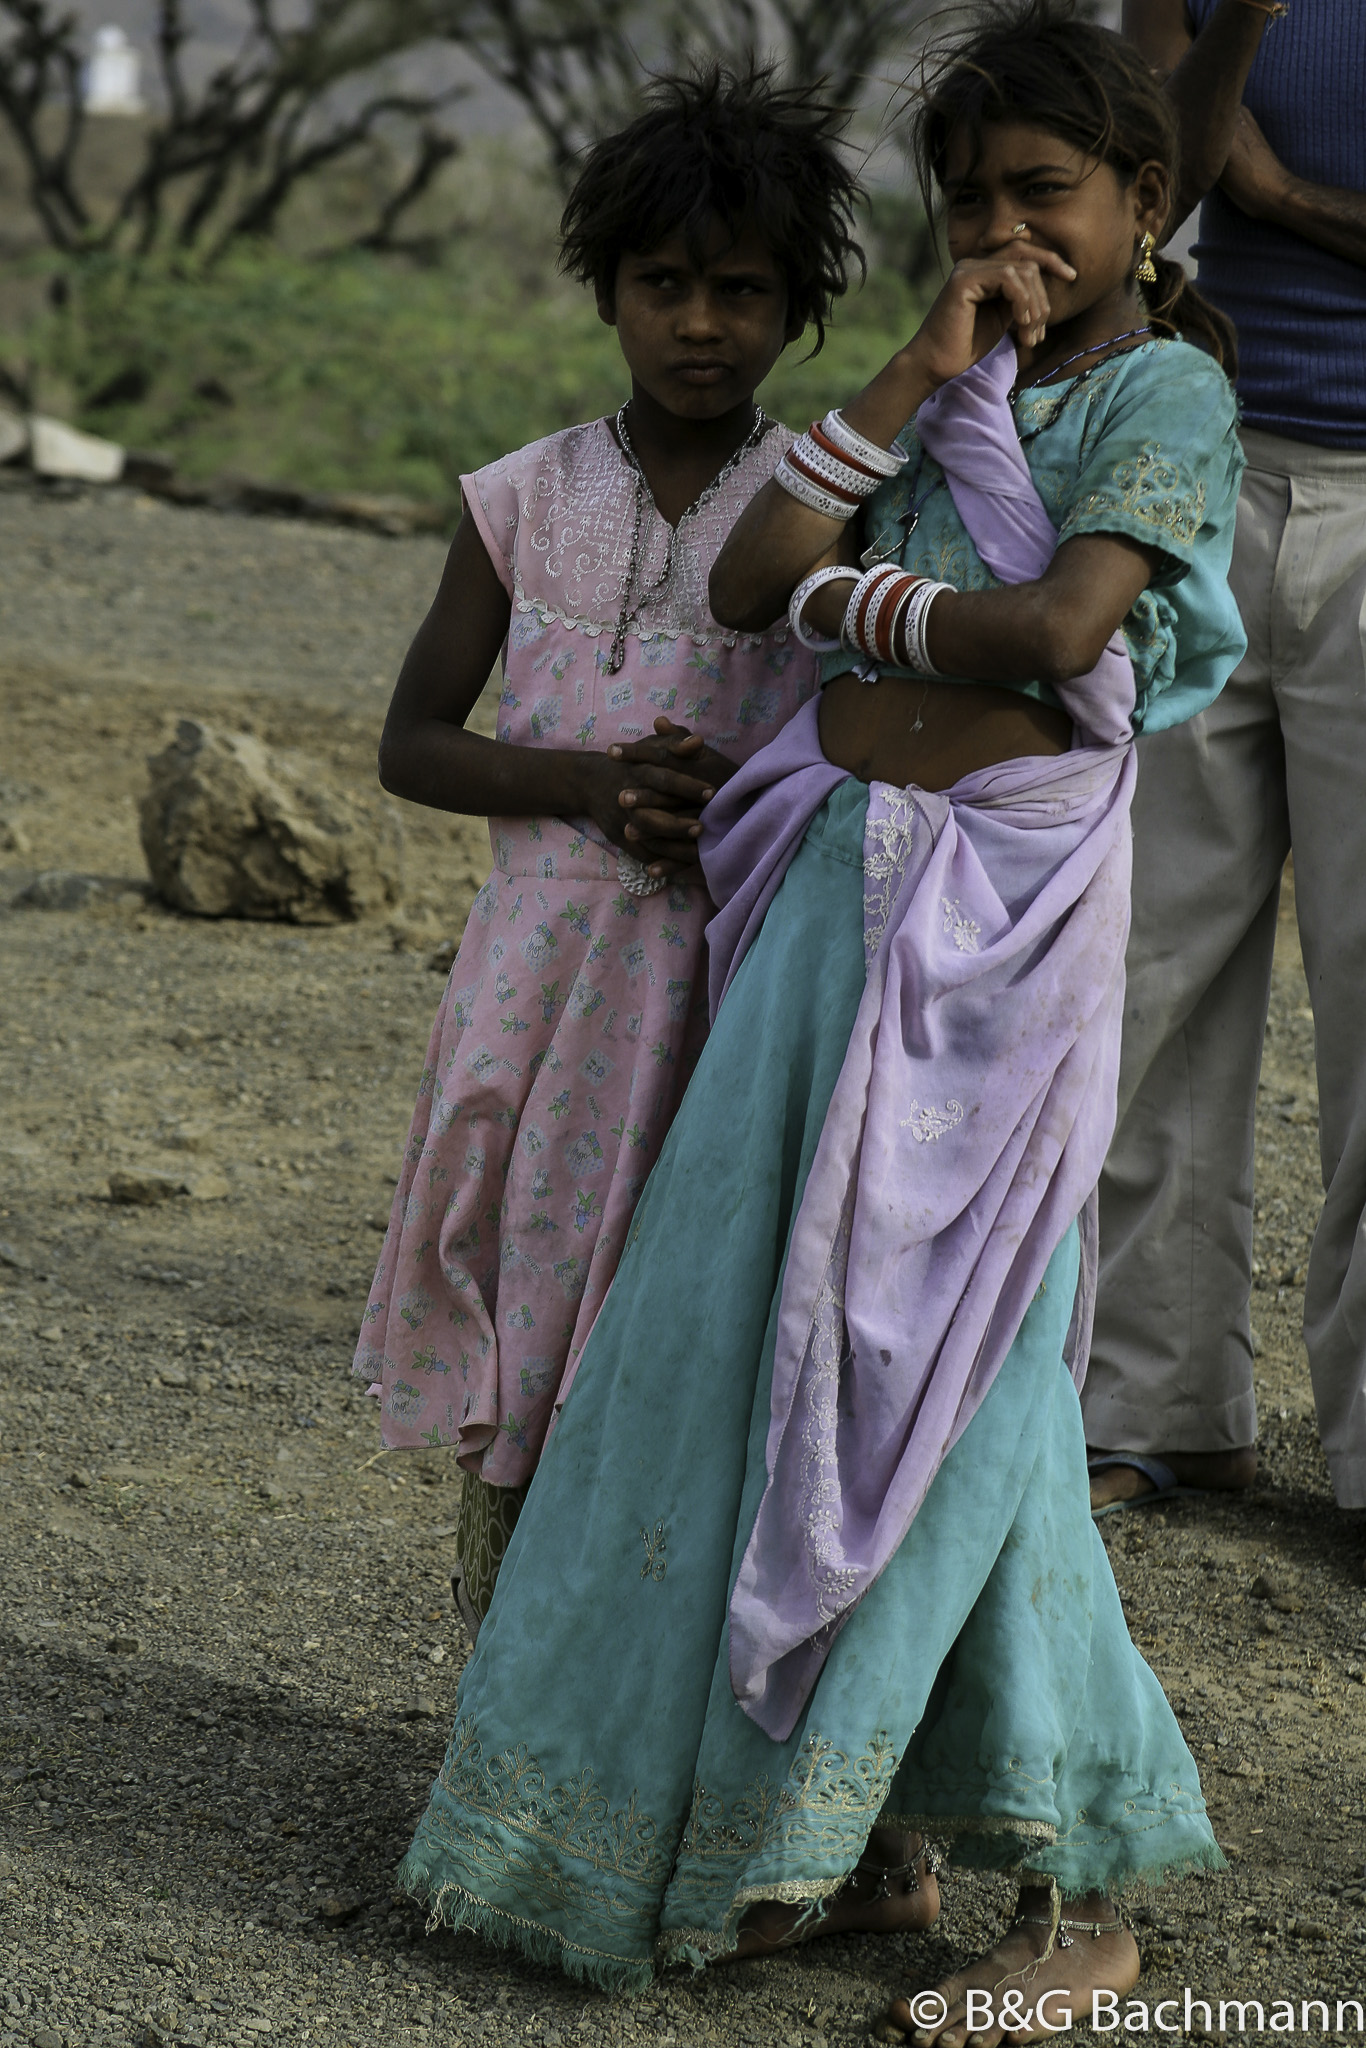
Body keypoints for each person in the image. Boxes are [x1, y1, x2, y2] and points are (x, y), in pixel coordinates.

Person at [395, 10, 1248, 2039]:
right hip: (827, 922)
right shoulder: (965, 380)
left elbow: (1049, 637)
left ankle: (1075, 1880)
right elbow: (759, 568)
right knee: (751, 1360)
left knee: (961, 1392)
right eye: (966, 202)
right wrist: (915, 369)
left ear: (1140, 200)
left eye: (1046, 193)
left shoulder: (1156, 395)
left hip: (992, 937)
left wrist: (859, 613)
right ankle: (848, 1850)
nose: (1006, 233)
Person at [351, 65, 861, 1629]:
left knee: (684, 1314)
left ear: (795, 309)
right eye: (662, 285)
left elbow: (854, 740)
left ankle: (644, 1696)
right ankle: (507, 1676)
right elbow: (412, 741)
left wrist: (747, 787)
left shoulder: (824, 509)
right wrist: (574, 782)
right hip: (540, 981)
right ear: (604, 290)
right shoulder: (521, 499)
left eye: (739, 291)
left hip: (722, 984)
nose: (697, 323)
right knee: (527, 1286)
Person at [1085, 0, 1366, 1515]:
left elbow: (1223, 194)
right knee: (1153, 958)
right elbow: (1147, 193)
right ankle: (1156, 1403)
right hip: (1193, 470)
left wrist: (1277, 199)